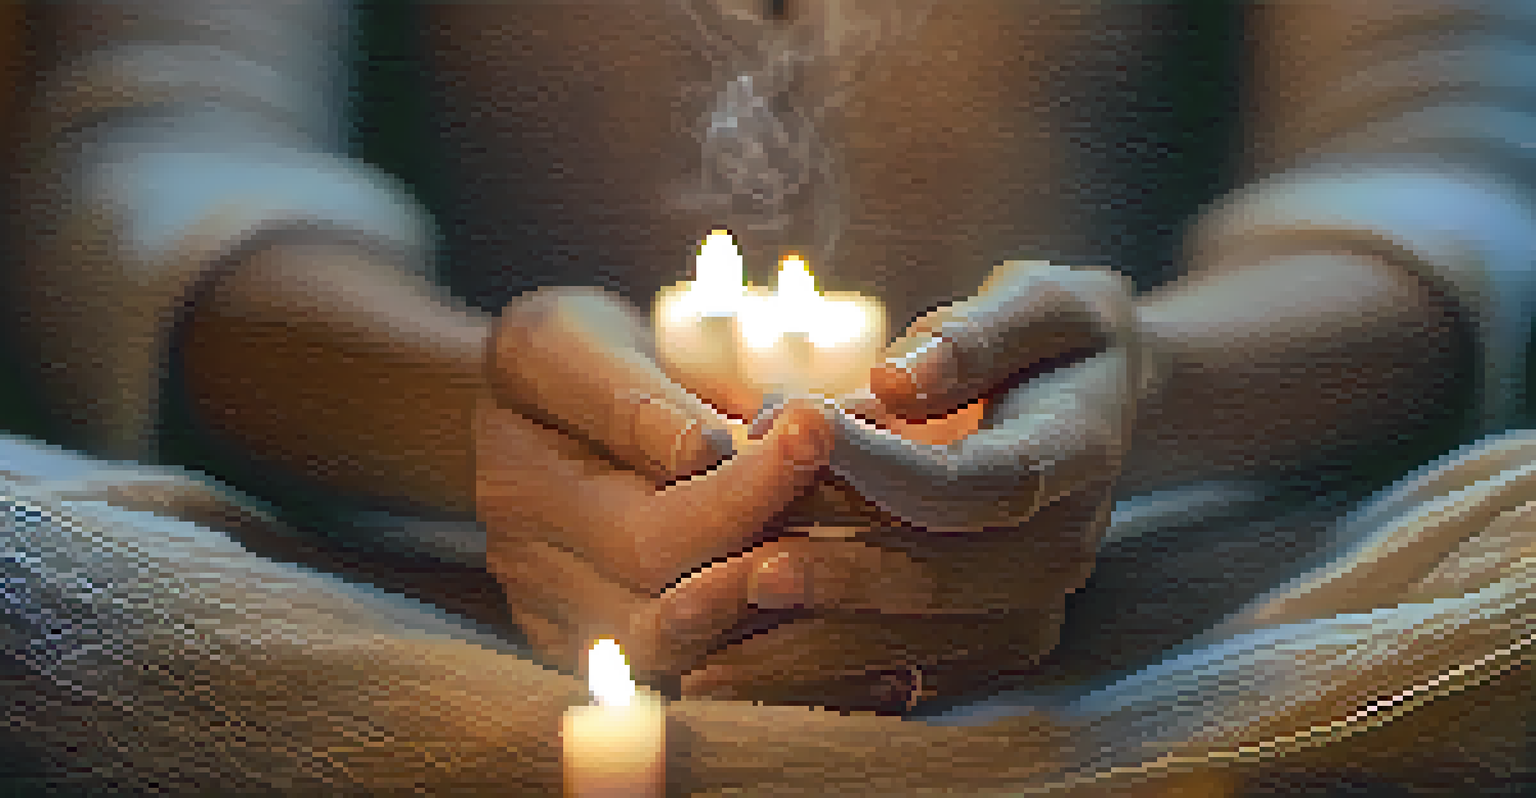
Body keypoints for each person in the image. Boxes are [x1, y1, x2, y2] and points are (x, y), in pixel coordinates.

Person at [2, 0, 1534, 794]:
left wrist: (1155, 390)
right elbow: (150, 158)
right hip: (411, 582)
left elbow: (1442, 169)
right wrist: (474, 419)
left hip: (1177, 580)